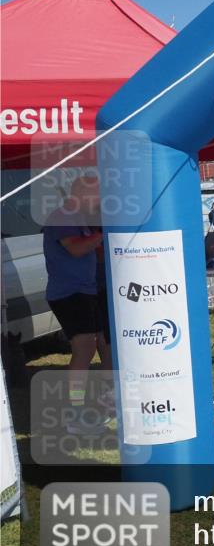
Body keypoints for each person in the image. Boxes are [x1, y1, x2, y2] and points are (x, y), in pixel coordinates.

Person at [43, 175, 111, 422]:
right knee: (84, 349)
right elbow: (76, 248)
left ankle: (102, 403)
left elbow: (96, 255)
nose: (99, 201)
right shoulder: (62, 216)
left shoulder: (81, 218)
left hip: (86, 291)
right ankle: (75, 409)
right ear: (81, 193)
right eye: (96, 195)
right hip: (69, 293)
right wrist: (104, 231)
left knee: (100, 345)